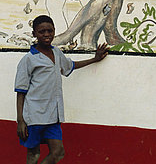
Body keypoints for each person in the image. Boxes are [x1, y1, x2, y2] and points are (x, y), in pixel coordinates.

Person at [14, 15, 108, 164]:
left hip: (53, 115)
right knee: (33, 154)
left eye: (49, 31)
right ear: (34, 34)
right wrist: (20, 121)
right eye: (41, 31)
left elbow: (70, 66)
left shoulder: (57, 53)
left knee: (58, 152)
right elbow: (21, 92)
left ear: (54, 32)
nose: (46, 34)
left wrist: (94, 59)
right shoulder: (29, 59)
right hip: (34, 116)